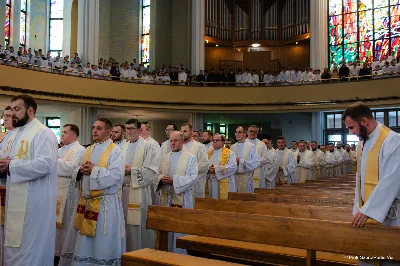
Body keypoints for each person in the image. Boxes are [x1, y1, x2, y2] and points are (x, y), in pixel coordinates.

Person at [0, 95, 58, 266]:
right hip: (15, 202)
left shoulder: (43, 134)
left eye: (17, 109)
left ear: (30, 110)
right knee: (14, 245)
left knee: (31, 249)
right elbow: (5, 157)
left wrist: (11, 166)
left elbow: (45, 164)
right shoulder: (13, 135)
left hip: (35, 204)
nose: (12, 114)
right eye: (11, 110)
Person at [59, 118, 125, 266]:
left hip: (104, 203)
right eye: (93, 127)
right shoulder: (88, 149)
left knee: (101, 240)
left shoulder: (115, 151)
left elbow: (116, 176)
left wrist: (94, 170)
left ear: (108, 131)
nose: (94, 130)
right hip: (85, 202)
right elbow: (77, 170)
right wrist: (81, 171)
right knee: (82, 239)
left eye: (99, 128)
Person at [343, 103, 400, 266]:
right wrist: (358, 209)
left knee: (389, 259)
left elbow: (392, 180)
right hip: (367, 213)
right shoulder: (363, 143)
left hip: (390, 216)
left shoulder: (393, 140)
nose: (351, 132)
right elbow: (360, 180)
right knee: (367, 258)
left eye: (352, 127)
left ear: (364, 121)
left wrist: (369, 210)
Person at [156, 131, 198, 253]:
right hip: (166, 198)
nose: (173, 143)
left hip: (182, 199)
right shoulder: (165, 157)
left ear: (182, 142)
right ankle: (165, 253)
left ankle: (181, 255)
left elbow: (193, 178)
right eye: (171, 141)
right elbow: (156, 174)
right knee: (166, 229)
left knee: (180, 230)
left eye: (176, 141)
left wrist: (174, 180)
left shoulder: (191, 158)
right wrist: (161, 179)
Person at [121, 119, 159, 251]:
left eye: (132, 128)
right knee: (122, 225)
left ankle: (140, 253)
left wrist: (131, 170)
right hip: (122, 193)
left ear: (139, 130)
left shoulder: (148, 146)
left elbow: (152, 171)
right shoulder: (122, 146)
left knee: (138, 226)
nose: (129, 131)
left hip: (139, 193)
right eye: (127, 128)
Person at [55, 125, 85, 262]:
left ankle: (65, 252)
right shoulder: (60, 150)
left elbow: (73, 168)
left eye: (65, 132)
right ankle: (55, 251)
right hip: (56, 189)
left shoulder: (80, 150)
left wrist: (54, 162)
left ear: (74, 135)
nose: (62, 135)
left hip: (69, 190)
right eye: (61, 132)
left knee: (66, 222)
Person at [181, 123, 209, 199]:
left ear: (191, 132)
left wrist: (187, 171)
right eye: (181, 131)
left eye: (185, 131)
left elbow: (204, 165)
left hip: (195, 184)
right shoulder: (179, 146)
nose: (182, 133)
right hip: (180, 183)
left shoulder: (199, 146)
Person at [207, 134, 237, 199]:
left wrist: (216, 169)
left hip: (223, 181)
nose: (214, 142)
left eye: (217, 140)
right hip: (211, 181)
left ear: (223, 142)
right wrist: (208, 169)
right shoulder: (209, 153)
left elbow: (233, 167)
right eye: (213, 140)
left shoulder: (230, 153)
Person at [230, 126, 259, 192]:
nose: (237, 134)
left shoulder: (251, 146)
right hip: (234, 178)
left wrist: (240, 161)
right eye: (236, 132)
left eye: (239, 132)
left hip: (246, 178)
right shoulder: (232, 147)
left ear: (245, 134)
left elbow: (255, 162)